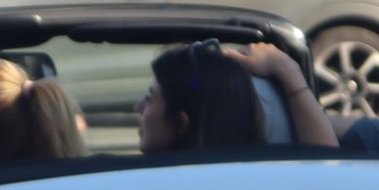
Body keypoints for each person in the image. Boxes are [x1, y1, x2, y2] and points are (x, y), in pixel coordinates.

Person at [138, 41, 338, 153]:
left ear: (181, 124)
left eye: (150, 98)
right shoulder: (273, 185)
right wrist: (288, 71)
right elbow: (327, 165)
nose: (138, 106)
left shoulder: (131, 186)